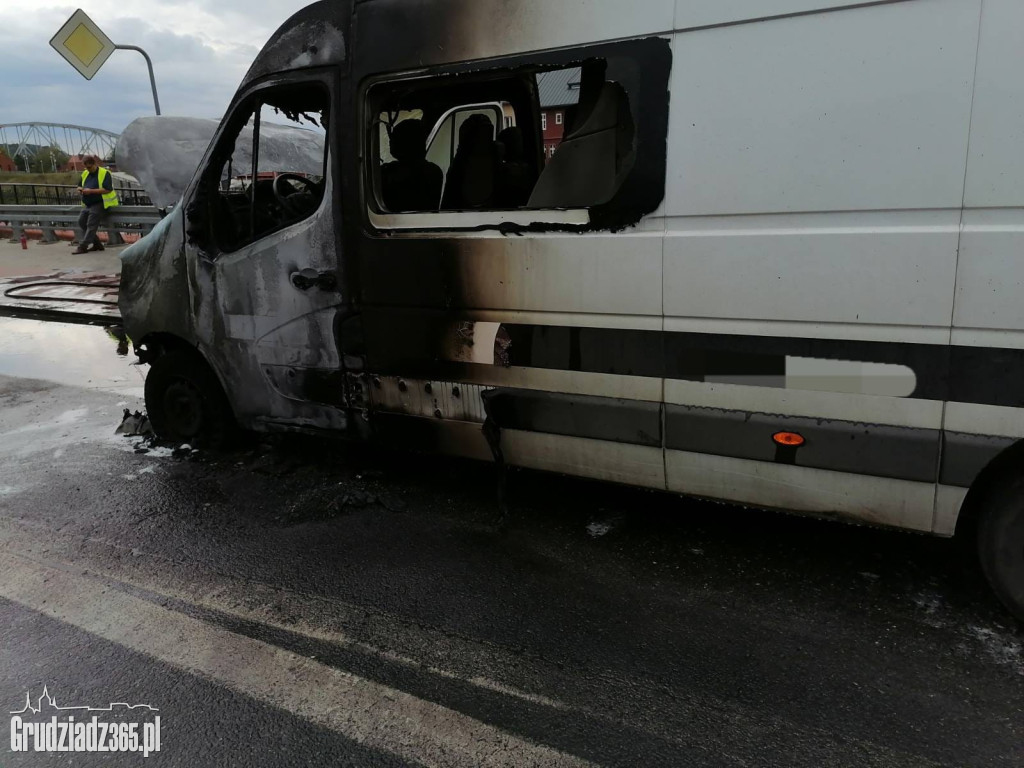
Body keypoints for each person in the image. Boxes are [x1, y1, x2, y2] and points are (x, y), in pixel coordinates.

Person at [76, 155, 119, 254]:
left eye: (89, 167)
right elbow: (79, 185)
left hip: (100, 203)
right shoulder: (85, 173)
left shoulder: (105, 173)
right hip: (88, 204)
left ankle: (83, 246)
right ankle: (97, 244)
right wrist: (79, 189)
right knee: (81, 221)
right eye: (86, 167)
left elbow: (107, 189)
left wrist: (91, 191)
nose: (88, 169)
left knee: (91, 224)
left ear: (94, 164)